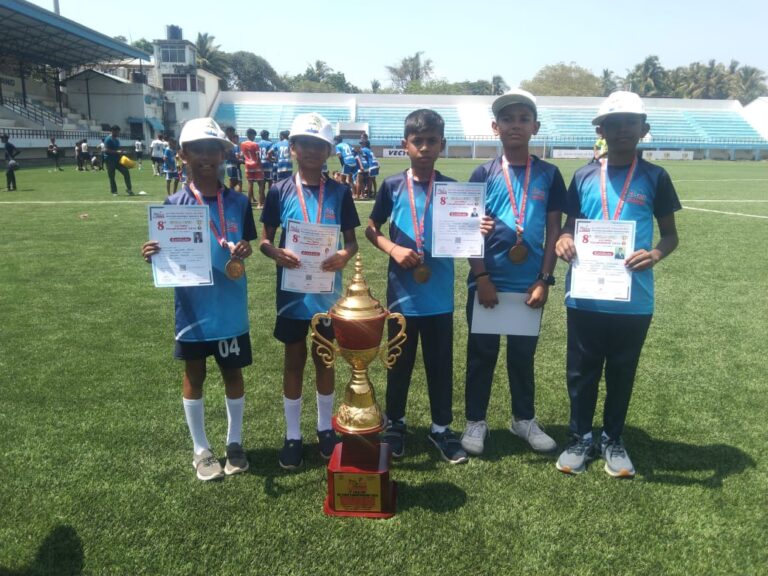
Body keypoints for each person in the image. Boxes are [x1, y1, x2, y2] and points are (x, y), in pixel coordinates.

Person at [554, 91, 681, 477]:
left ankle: (612, 438)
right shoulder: (583, 175)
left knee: (622, 371)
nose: (622, 129)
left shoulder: (656, 177)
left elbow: (670, 236)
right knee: (582, 371)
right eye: (614, 123)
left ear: (644, 129)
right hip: (586, 294)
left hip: (633, 298)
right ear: (601, 130)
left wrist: (654, 254)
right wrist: (563, 240)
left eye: (630, 122)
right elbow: (569, 226)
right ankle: (580, 437)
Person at [366, 109, 493, 465]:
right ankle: (395, 424)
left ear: (442, 145)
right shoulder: (392, 186)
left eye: (431, 141)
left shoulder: (455, 190)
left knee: (440, 365)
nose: (424, 147)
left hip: (439, 298)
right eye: (417, 141)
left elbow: (469, 239)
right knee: (398, 364)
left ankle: (441, 428)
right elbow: (371, 228)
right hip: (402, 299)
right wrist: (392, 248)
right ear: (405, 145)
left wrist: (478, 229)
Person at [141, 117, 256, 481]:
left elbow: (246, 244)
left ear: (223, 155)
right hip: (192, 309)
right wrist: (153, 254)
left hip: (229, 307)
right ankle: (200, 449)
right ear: (183, 155)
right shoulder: (173, 203)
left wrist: (244, 248)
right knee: (195, 373)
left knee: (232, 372)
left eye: (213, 150)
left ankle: (234, 442)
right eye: (198, 150)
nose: (206, 157)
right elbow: (168, 253)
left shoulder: (238, 201)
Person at [459, 89, 565, 457]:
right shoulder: (483, 172)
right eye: (507, 119)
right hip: (488, 281)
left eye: (523, 119)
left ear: (535, 127)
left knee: (522, 356)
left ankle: (523, 419)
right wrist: (482, 277)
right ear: (495, 127)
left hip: (528, 285)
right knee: (481, 354)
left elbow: (554, 229)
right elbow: (468, 230)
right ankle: (476, 420)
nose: (515, 125)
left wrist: (544, 280)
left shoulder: (550, 174)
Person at [260, 112, 360, 470]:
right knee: (293, 360)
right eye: (305, 144)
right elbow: (264, 239)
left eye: (320, 145)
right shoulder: (279, 190)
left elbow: (352, 242)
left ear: (329, 150)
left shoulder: (340, 192)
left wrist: (344, 255)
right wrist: (275, 252)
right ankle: (292, 435)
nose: (312, 151)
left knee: (325, 359)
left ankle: (324, 429)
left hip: (326, 295)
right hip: (292, 294)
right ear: (293, 148)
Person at [103, 125, 134, 196]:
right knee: (112, 176)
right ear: (113, 131)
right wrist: (117, 152)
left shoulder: (116, 140)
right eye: (117, 132)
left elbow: (118, 149)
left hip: (117, 159)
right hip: (109, 160)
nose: (118, 133)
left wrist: (123, 153)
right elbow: (106, 150)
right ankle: (114, 191)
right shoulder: (108, 139)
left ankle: (129, 189)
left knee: (126, 172)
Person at [241, 128, 263, 206]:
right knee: (261, 184)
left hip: (248, 165)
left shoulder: (242, 144)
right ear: (251, 135)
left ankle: (248, 202)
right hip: (256, 165)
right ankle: (260, 203)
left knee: (250, 184)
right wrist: (260, 165)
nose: (254, 137)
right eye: (254, 135)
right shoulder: (255, 144)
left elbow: (242, 155)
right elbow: (257, 156)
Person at [224, 126, 243, 193]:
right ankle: (230, 194)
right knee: (233, 181)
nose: (233, 134)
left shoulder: (232, 143)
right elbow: (228, 156)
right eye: (233, 132)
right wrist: (239, 161)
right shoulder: (226, 142)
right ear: (228, 132)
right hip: (230, 164)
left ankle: (231, 194)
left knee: (236, 181)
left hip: (234, 164)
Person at [257, 130, 273, 205]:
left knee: (261, 184)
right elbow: (271, 154)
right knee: (270, 183)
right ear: (267, 135)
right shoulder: (270, 143)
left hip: (260, 165)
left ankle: (261, 200)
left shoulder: (257, 144)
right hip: (268, 164)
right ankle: (269, 200)